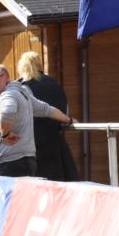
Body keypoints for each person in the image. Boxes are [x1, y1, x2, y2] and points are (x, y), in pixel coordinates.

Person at [0, 64, 71, 177]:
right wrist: (68, 120)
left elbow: (7, 112)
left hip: (9, 164)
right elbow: (47, 109)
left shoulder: (9, 94)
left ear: (6, 77)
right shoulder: (22, 94)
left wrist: (5, 135)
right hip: (17, 162)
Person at [17, 51, 79, 181]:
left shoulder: (21, 87)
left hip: (30, 148)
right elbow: (64, 111)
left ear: (21, 67)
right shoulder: (54, 84)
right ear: (40, 64)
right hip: (55, 145)